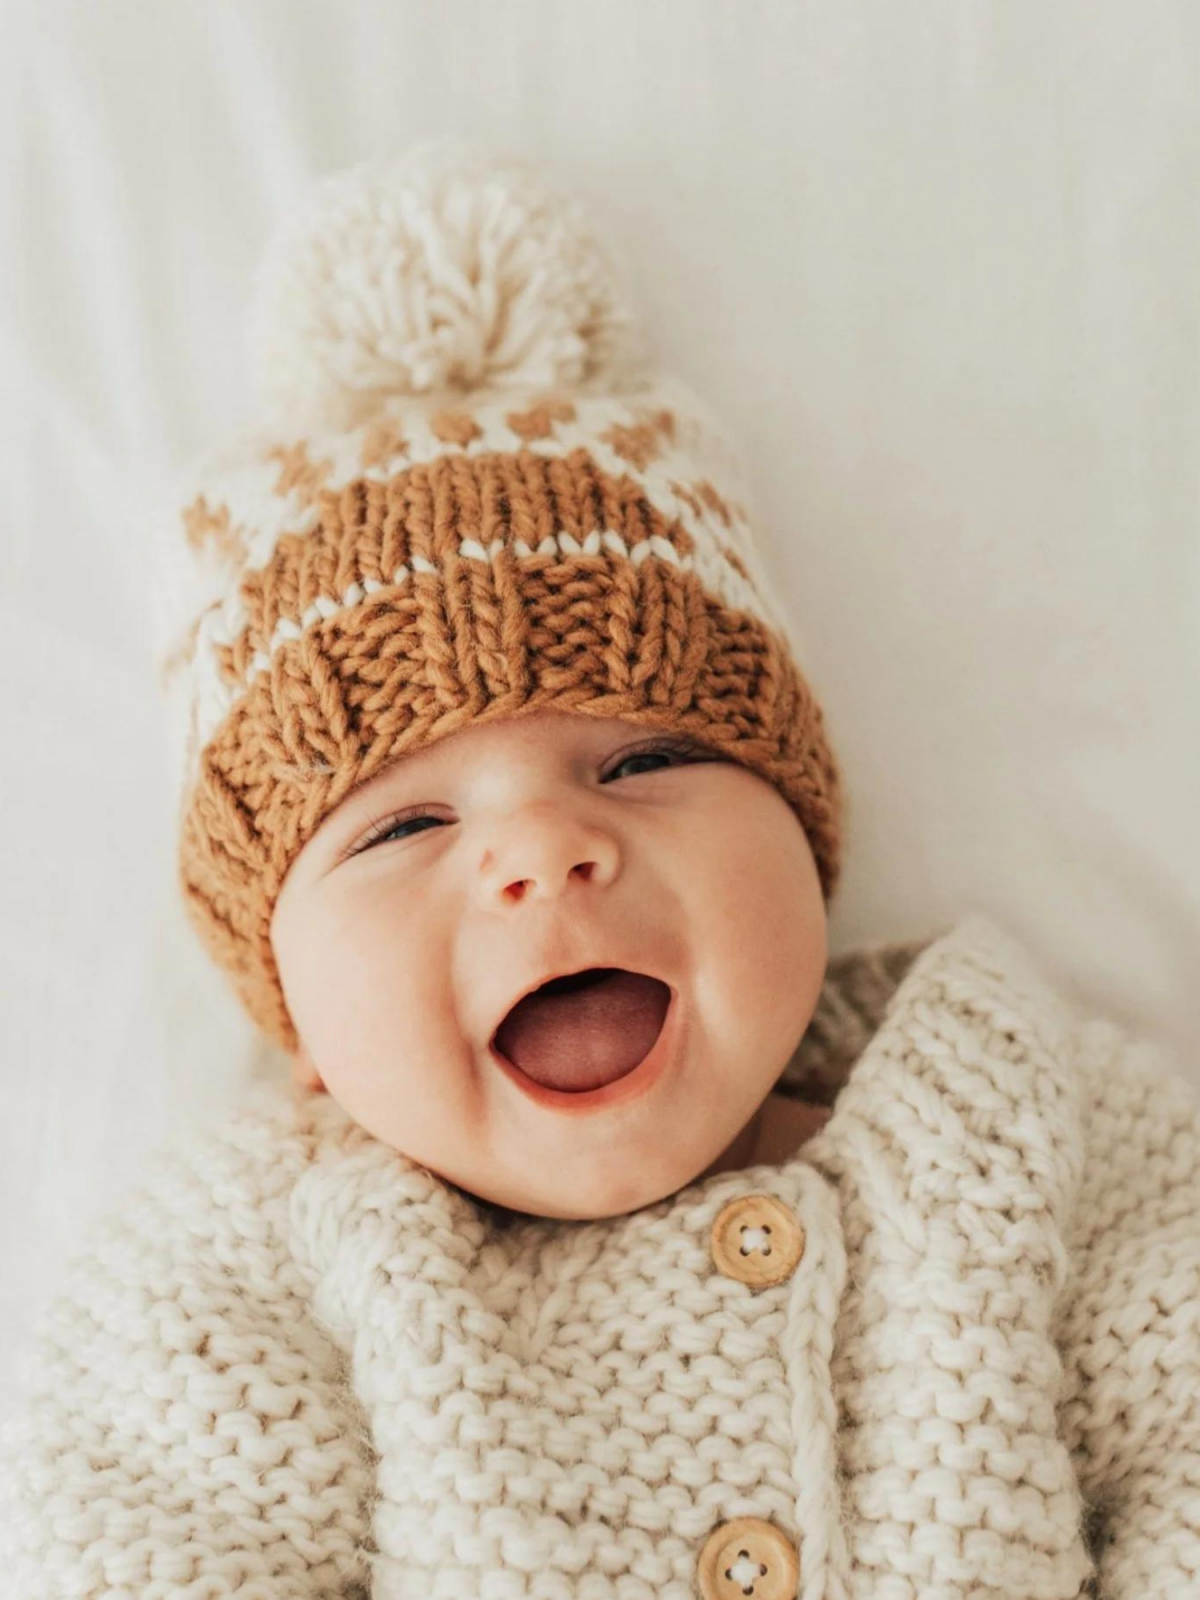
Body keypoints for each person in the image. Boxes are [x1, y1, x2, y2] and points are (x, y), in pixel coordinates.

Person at [2, 138, 1198, 1600]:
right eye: (400, 827)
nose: (547, 850)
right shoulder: (245, 1272)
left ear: (808, 844)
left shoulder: (1026, 1117)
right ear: (291, 1014)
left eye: (645, 762)